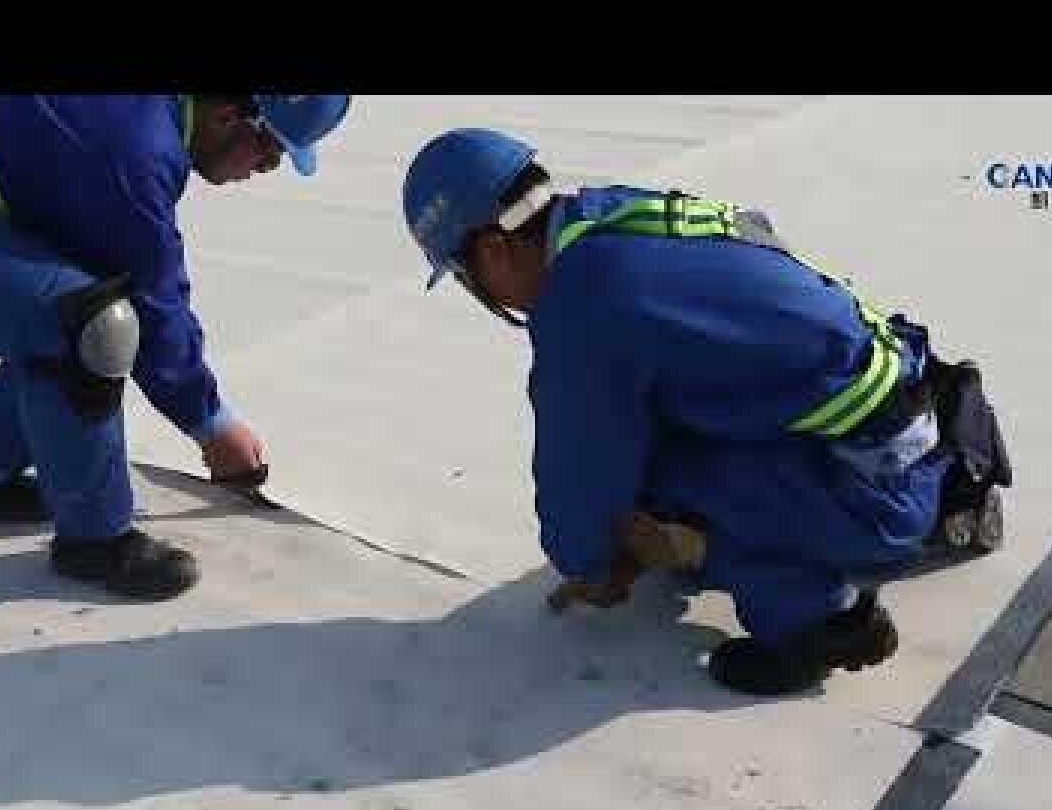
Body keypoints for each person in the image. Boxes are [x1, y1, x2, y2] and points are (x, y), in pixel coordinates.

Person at [400, 128, 1010, 695]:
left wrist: (605, 559)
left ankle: (817, 622)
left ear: (494, 249)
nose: (475, 291)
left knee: (649, 493)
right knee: (653, 434)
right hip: (908, 406)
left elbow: (579, 478)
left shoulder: (582, 308)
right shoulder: (610, 218)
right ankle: (939, 490)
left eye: (463, 274)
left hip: (875, 494)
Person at [0, 93, 351, 600]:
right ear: (228, 117)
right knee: (93, 322)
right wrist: (213, 425)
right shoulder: (134, 148)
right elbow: (156, 299)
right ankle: (95, 540)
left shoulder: (143, 116)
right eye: (270, 151)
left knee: (60, 296)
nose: (266, 169)